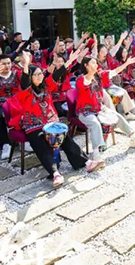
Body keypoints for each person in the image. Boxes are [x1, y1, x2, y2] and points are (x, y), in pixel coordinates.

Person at [10, 50, 88, 188]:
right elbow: (24, 82)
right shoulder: (25, 92)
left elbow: (56, 75)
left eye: (40, 73)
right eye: (36, 74)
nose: (39, 76)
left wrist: (69, 62)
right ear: (30, 77)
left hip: (50, 121)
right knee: (41, 143)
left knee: (66, 138)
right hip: (33, 125)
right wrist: (26, 65)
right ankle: (55, 173)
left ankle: (84, 162)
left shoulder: (46, 86)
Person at [75, 55, 135, 169]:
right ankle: (96, 154)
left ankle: (133, 138)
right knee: (95, 123)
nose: (96, 65)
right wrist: (92, 73)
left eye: (96, 63)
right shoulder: (80, 79)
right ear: (86, 66)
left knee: (117, 116)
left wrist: (127, 63)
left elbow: (114, 71)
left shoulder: (99, 75)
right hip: (85, 111)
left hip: (99, 108)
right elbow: (87, 82)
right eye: (93, 63)